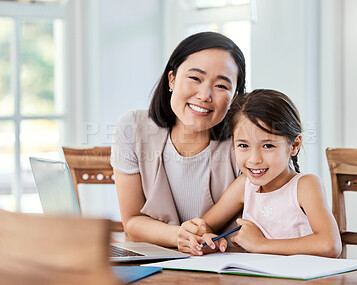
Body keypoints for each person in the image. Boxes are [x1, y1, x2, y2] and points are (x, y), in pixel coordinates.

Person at [110, 32, 246, 254]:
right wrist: (179, 236)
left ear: (234, 96)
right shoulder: (131, 128)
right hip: (160, 265)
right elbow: (132, 221)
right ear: (171, 79)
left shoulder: (247, 140)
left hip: (229, 266)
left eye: (221, 86)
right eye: (195, 78)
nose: (205, 95)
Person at [185, 89, 342, 257]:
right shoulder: (245, 185)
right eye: (243, 145)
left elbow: (330, 245)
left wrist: (261, 244)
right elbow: (205, 225)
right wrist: (205, 238)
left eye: (268, 146)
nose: (254, 159)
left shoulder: (305, 186)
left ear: (294, 146)